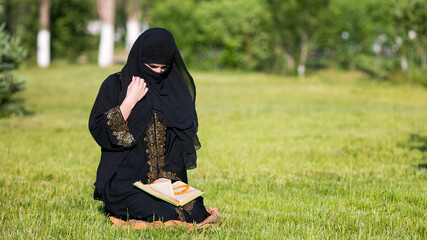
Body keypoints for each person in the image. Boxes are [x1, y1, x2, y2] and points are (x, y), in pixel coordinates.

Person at [89, 28, 220, 227]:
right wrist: (129, 102)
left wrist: (167, 177)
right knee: (165, 214)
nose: (158, 72)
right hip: (125, 183)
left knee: (196, 212)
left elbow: (179, 141)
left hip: (165, 184)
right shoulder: (114, 85)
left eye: (163, 67)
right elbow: (100, 132)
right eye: (152, 66)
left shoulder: (173, 89)